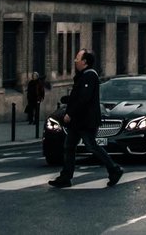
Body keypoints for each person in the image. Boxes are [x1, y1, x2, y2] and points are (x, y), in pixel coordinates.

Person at [49, 49, 122, 189]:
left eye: (78, 58)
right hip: (79, 121)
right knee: (69, 147)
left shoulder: (89, 76)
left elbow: (84, 98)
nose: (75, 60)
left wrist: (70, 113)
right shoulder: (83, 75)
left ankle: (114, 169)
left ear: (85, 62)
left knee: (91, 145)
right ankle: (65, 177)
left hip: (85, 120)